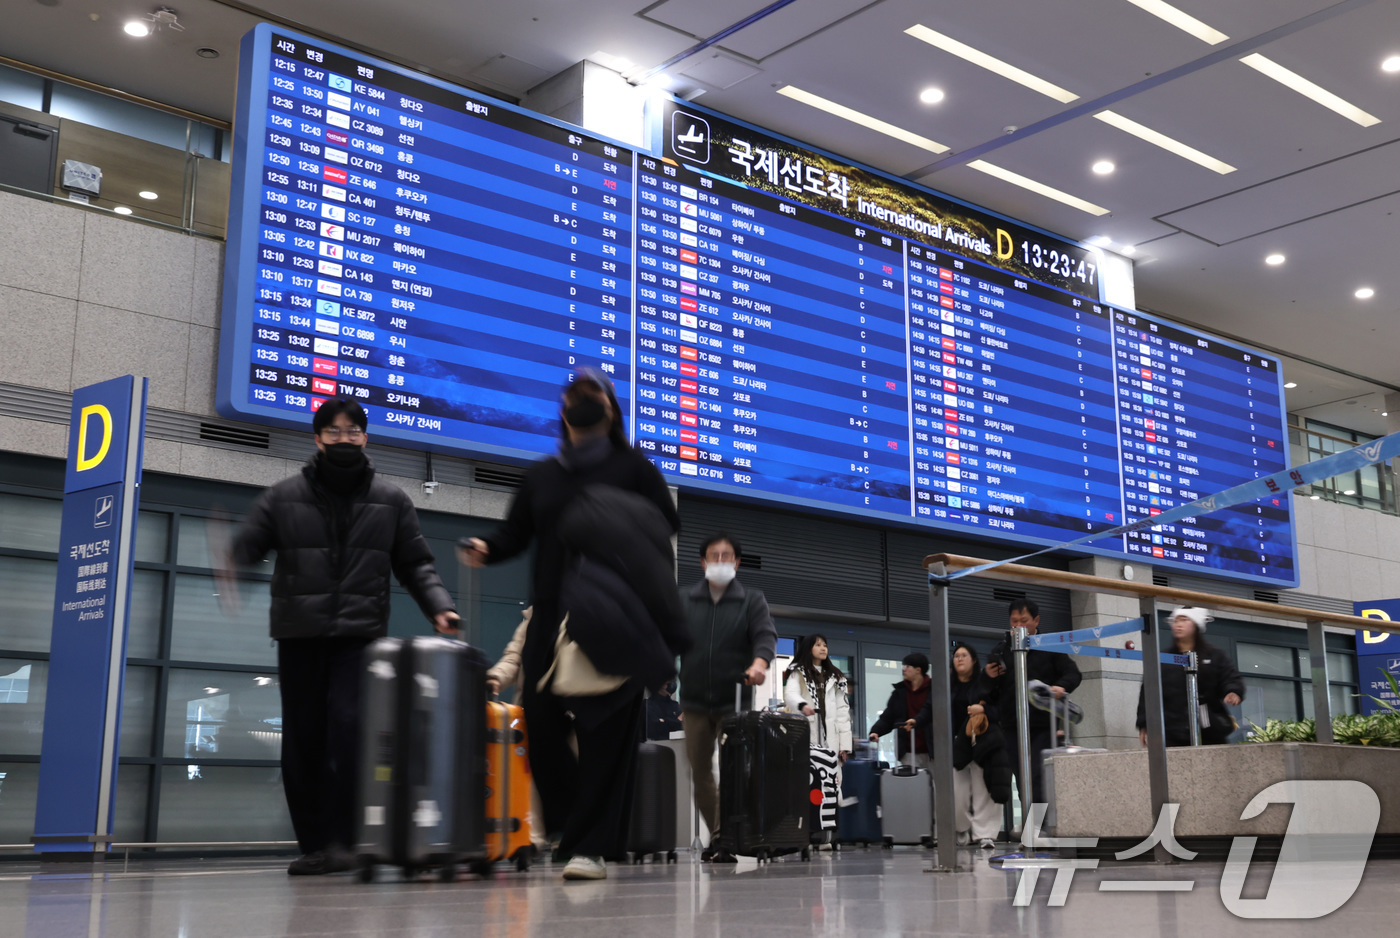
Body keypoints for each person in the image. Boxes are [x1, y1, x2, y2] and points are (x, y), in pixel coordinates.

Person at [458, 370, 680, 881]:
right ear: (562, 410)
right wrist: (488, 548)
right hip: (550, 613)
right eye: (574, 396)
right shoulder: (543, 475)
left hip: (616, 613)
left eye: (594, 395)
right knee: (538, 716)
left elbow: (664, 527)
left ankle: (589, 849)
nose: (582, 402)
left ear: (611, 410)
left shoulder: (635, 470)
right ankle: (568, 823)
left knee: (605, 731)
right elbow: (516, 533)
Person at [224, 399, 459, 876]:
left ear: (366, 438)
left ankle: (351, 840)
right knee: (304, 742)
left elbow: (416, 563)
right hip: (300, 635)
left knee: (351, 732)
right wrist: (233, 558)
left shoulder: (392, 501)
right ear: (317, 439)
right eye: (334, 431)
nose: (344, 439)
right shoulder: (283, 496)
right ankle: (317, 846)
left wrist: (439, 605)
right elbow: (250, 542)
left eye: (353, 431)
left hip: (360, 635)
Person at [677, 533, 776, 861]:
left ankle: (730, 837)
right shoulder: (686, 600)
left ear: (736, 562)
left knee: (735, 770)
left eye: (727, 556)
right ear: (703, 562)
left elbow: (764, 634)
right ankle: (720, 837)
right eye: (713, 556)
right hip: (693, 701)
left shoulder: (751, 600)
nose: (720, 561)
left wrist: (759, 663)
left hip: (734, 700)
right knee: (700, 771)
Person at [908, 643, 1010, 848]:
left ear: (973, 660)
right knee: (955, 794)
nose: (959, 659)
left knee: (984, 789)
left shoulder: (985, 680)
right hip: (957, 745)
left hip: (983, 741)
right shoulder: (945, 684)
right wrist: (917, 720)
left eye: (964, 655)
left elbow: (1001, 709)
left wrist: (983, 709)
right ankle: (961, 829)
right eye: (956, 656)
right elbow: (930, 708)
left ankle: (985, 835)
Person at [984, 599, 1081, 806]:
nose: (1018, 626)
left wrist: (1061, 687)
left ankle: (1040, 826)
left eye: (1024, 621)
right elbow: (989, 691)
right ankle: (1032, 825)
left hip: (1043, 725)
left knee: (1038, 775)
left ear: (1036, 621)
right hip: (1011, 725)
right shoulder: (1002, 650)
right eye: (1014, 621)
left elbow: (1073, 673)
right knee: (1021, 777)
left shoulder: (1050, 646)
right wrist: (988, 677)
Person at [1136, 606, 1245, 747]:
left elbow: (1230, 677)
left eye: (1184, 620)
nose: (1178, 624)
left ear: (1196, 624)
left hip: (1208, 728)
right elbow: (1148, 692)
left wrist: (1233, 691)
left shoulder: (1214, 655)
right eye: (1176, 621)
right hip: (1171, 730)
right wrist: (1144, 724)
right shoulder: (1163, 658)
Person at [783, 634, 853, 759]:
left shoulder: (836, 676)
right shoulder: (798, 672)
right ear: (809, 648)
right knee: (808, 775)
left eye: (825, 646)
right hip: (807, 734)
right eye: (818, 645)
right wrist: (802, 705)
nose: (823, 648)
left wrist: (845, 746)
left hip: (832, 737)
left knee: (831, 775)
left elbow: (842, 712)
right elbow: (791, 693)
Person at [867, 652, 932, 769]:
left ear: (918, 670)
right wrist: (876, 731)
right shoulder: (900, 692)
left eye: (907, 666)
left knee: (935, 785)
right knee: (911, 785)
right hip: (908, 750)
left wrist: (916, 721)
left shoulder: (934, 689)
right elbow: (888, 716)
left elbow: (928, 711)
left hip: (933, 750)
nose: (904, 670)